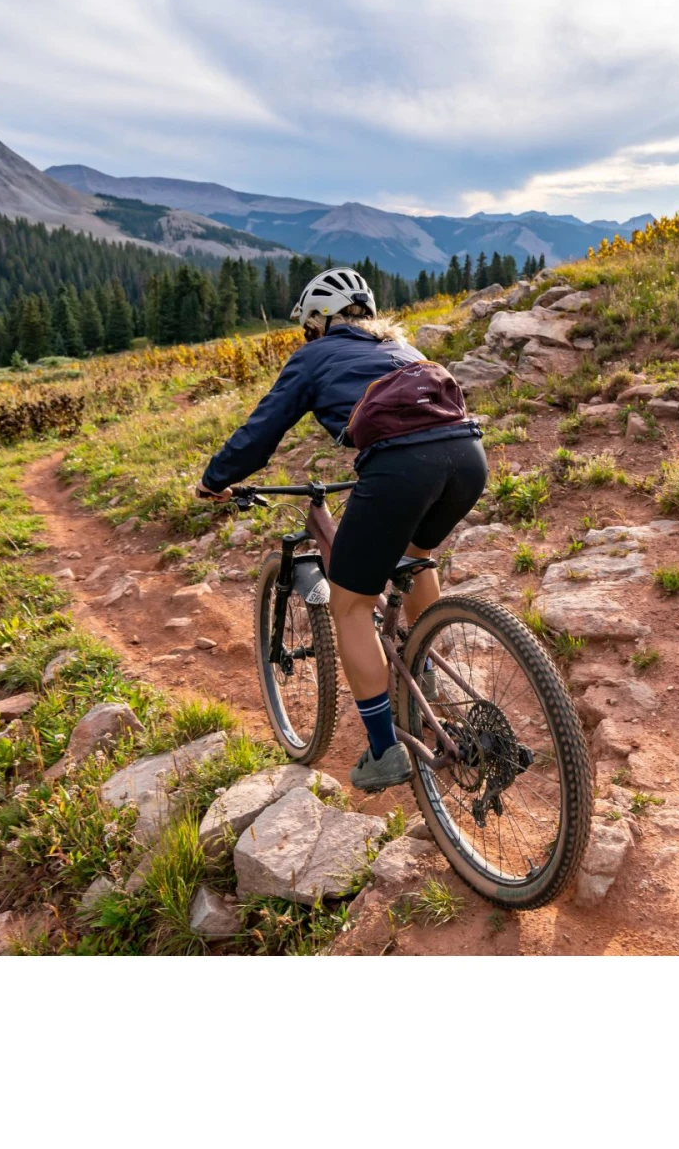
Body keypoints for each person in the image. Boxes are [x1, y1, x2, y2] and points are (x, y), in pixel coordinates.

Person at [194, 269, 486, 791]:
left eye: (309, 327)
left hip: (400, 468)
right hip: (467, 458)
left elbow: (261, 431)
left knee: (350, 603)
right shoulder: (403, 348)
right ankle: (426, 674)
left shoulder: (313, 356)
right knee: (417, 551)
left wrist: (216, 479)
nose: (309, 336)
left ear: (319, 321)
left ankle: (383, 751)